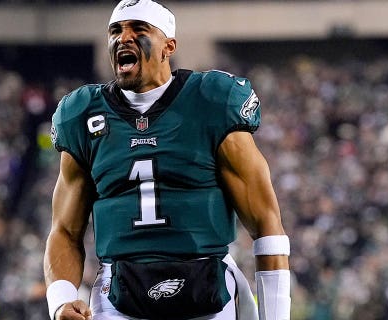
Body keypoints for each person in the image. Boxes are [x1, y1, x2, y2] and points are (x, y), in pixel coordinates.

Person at [44, 1, 291, 319]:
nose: (124, 38)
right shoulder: (83, 114)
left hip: (208, 288)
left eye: (139, 29)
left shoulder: (211, 102)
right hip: (120, 293)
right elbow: (64, 229)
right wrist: (61, 301)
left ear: (168, 46)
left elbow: (267, 224)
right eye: (116, 30)